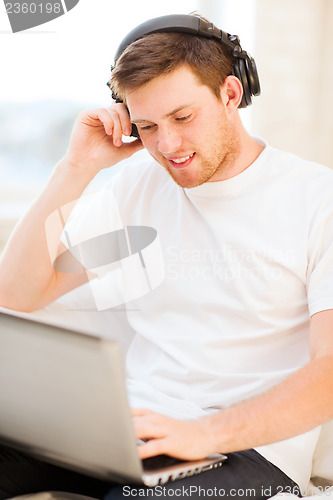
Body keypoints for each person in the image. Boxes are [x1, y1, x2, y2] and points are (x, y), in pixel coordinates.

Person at [0, 12, 333, 500]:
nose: (168, 145)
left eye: (182, 117)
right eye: (148, 126)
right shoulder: (140, 185)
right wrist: (76, 168)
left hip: (250, 450)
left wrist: (204, 434)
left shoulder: (317, 200)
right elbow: (20, 292)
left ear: (231, 94)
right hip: (133, 429)